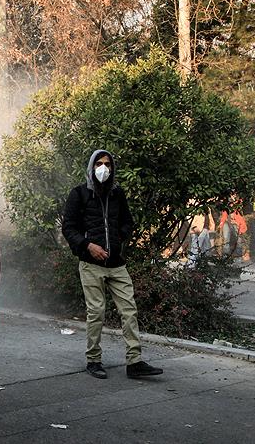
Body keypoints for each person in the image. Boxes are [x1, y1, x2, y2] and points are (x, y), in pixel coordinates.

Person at [61, 150, 163, 381]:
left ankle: (134, 362)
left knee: (129, 310)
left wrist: (118, 241)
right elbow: (69, 228)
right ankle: (93, 360)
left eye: (107, 164)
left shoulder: (117, 194)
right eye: (99, 163)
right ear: (91, 167)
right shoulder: (79, 194)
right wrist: (88, 246)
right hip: (90, 263)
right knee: (96, 312)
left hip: (116, 264)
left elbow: (127, 221)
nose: (103, 168)